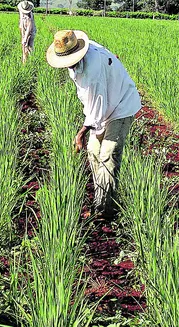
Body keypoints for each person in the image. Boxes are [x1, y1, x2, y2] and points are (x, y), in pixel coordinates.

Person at [46, 30, 142, 220]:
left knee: (108, 153)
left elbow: (97, 107)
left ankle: (105, 210)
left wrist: (81, 133)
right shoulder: (78, 54)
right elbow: (95, 105)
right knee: (92, 151)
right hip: (104, 105)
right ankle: (101, 199)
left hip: (121, 105)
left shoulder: (92, 70)